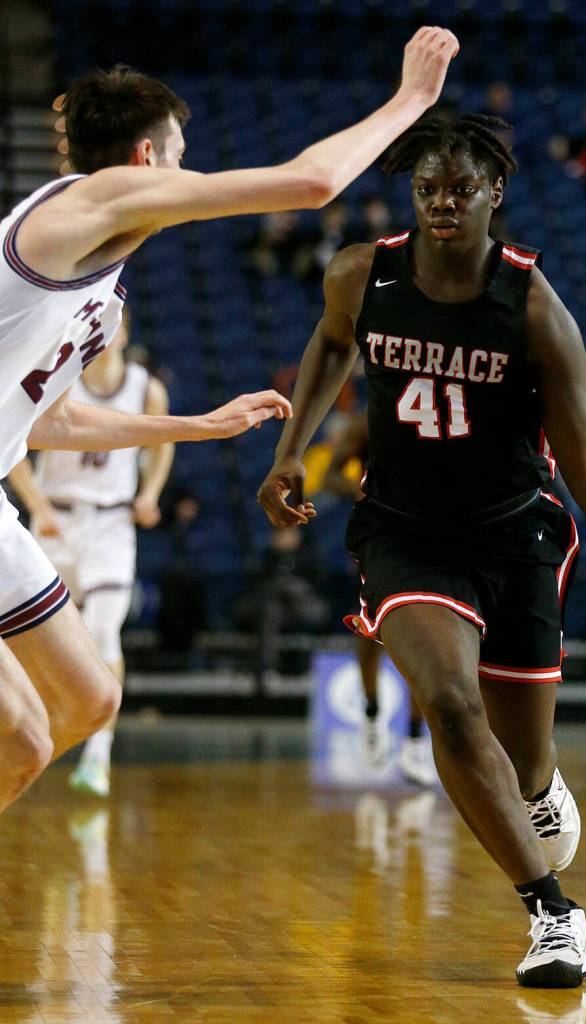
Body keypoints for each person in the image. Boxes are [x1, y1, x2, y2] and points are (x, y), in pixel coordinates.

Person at [257, 113, 586, 988]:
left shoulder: (531, 306)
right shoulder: (360, 274)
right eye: (428, 189)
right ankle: (552, 915)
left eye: (460, 189)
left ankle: (537, 788)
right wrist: (290, 447)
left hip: (514, 532)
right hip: (403, 530)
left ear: (496, 193)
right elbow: (332, 341)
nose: (443, 203)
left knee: (522, 762)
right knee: (450, 706)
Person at [0, 26, 459, 813]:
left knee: (72, 714)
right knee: (39, 725)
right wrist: (411, 102)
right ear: (147, 158)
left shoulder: (99, 297)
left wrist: (196, 426)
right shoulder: (96, 196)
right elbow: (311, 183)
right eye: (179, 156)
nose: (186, 174)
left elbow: (46, 423)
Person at [6, 309, 172, 797]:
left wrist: (150, 492)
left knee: (104, 634)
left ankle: (98, 757)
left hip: (111, 525)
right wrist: (37, 504)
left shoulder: (146, 388)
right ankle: (25, 737)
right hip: (54, 519)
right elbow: (12, 450)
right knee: (28, 647)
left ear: (124, 332)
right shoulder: (58, 379)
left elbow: (161, 446)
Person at [323, 409, 436, 786]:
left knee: (427, 640)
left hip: (433, 533)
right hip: (381, 538)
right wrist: (368, 494)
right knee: (373, 632)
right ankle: (372, 714)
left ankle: (416, 739)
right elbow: (330, 474)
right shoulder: (367, 421)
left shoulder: (445, 414)